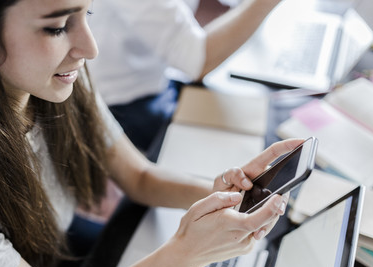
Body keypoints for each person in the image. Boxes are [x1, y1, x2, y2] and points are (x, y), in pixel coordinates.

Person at [0, 0, 301, 267]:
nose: (90, 48)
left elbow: (140, 178)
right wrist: (188, 251)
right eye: (58, 26)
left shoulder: (55, 81)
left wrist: (224, 195)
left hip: (47, 256)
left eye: (88, 14)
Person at [86, 0, 283, 154]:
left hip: (156, 77)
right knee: (255, 139)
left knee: (261, 120)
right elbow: (198, 61)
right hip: (124, 104)